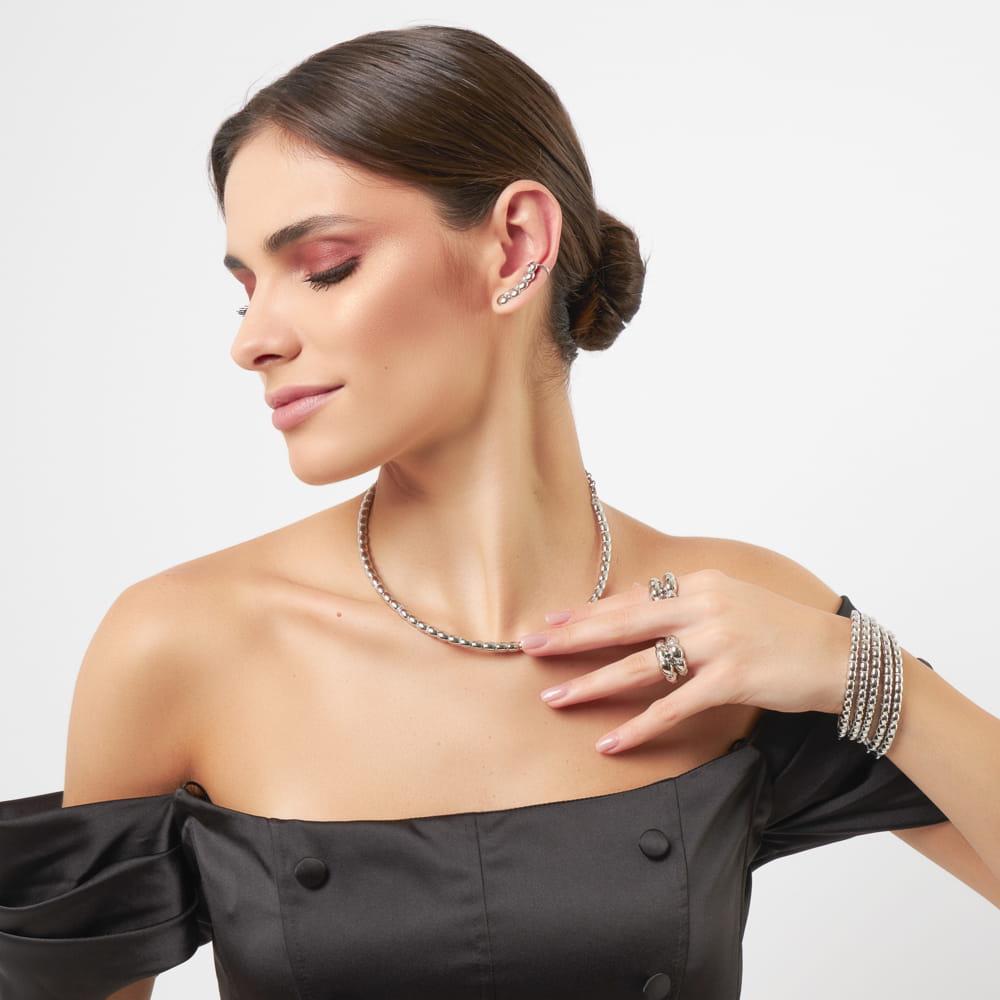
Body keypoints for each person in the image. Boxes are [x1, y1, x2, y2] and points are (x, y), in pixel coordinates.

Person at [1, 23, 997, 1000]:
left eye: (325, 264)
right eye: (245, 289)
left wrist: (863, 672)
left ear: (515, 245)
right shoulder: (178, 644)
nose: (252, 340)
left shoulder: (732, 616)